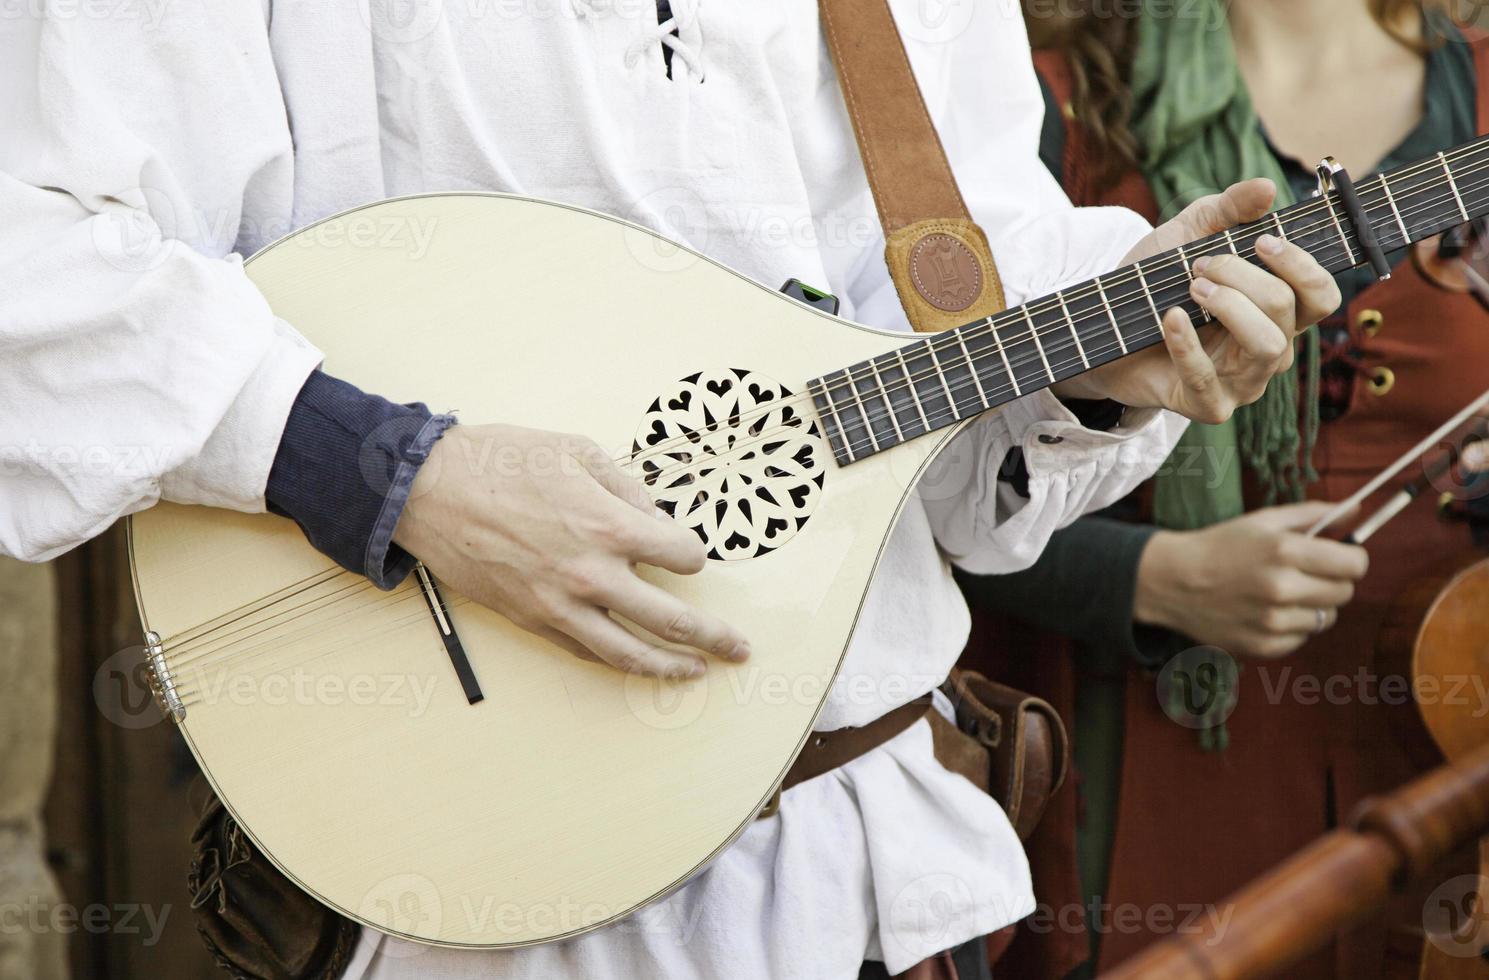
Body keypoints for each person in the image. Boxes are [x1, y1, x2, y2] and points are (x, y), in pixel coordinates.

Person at [0, 2, 1339, 978]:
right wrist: (395, 473)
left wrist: (1098, 374)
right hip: (468, 893)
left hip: (872, 879)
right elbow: (34, 247)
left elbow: (957, 406)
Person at [962, 0, 1489, 976]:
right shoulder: (1035, 101)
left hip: (1450, 764)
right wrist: (1148, 577)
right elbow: (929, 478)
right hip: (1147, 764)